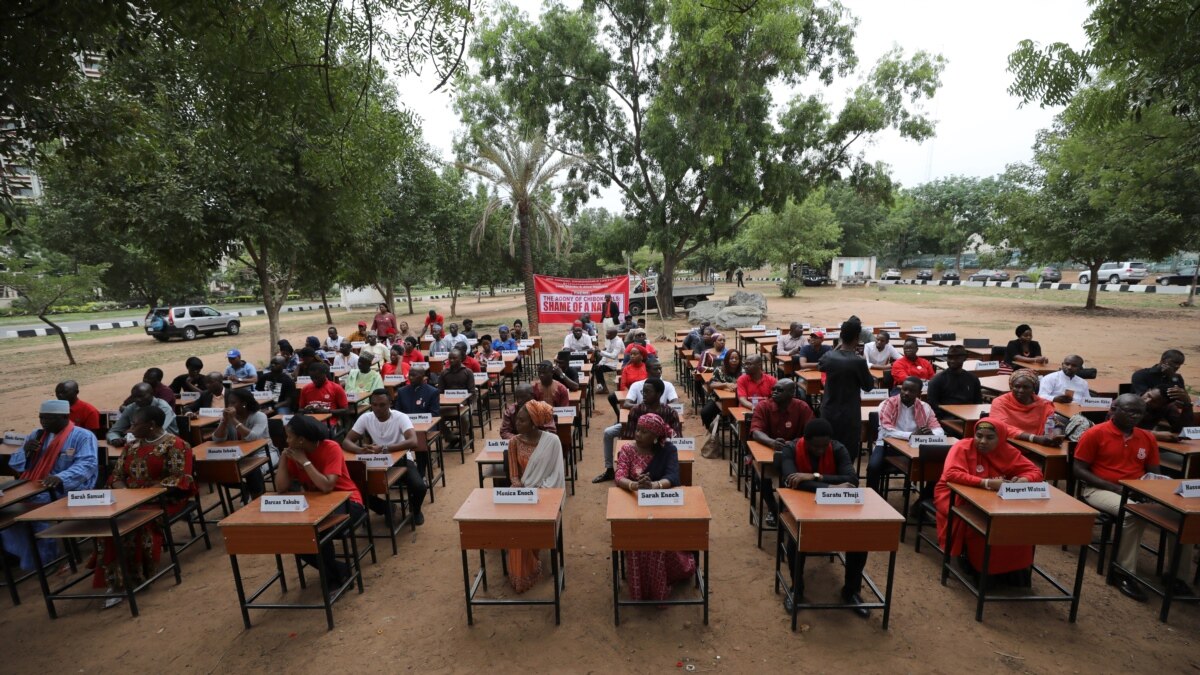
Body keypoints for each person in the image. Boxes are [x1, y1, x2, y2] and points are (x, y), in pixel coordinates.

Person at [1075, 394, 1194, 601]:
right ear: (1115, 409)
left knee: (1183, 517)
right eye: (1129, 411)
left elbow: (1154, 473)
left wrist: (1150, 492)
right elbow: (1078, 469)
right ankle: (1123, 572)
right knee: (1132, 515)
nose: (1134, 416)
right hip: (1099, 489)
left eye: (1139, 412)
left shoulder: (1147, 437)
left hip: (1138, 489)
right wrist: (1115, 488)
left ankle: (1176, 577)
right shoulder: (1095, 433)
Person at [93, 405, 195, 606]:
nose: (130, 428)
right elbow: (117, 475)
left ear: (152, 425)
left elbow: (179, 479)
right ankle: (115, 577)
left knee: (134, 524)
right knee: (108, 522)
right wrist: (125, 493)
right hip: (129, 499)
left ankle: (135, 576)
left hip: (162, 500)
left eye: (135, 424)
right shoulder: (132, 446)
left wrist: (143, 496)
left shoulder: (176, 445)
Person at [935, 421, 1043, 587]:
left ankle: (1014, 572)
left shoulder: (1008, 451)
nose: (983, 441)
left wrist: (1022, 480)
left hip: (994, 498)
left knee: (1016, 524)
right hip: (955, 494)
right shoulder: (963, 447)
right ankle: (979, 570)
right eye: (979, 436)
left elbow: (1035, 472)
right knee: (979, 524)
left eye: (990, 438)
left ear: (1000, 439)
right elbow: (951, 474)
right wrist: (986, 483)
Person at [779, 419, 869, 617]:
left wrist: (814, 476)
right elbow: (790, 479)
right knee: (797, 538)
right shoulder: (791, 448)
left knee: (860, 537)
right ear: (806, 440)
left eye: (824, 445)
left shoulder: (838, 449)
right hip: (800, 505)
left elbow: (851, 480)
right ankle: (797, 588)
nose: (820, 450)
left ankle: (851, 591)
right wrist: (831, 487)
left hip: (835, 504)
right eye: (815, 446)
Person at [0, 400, 98, 572]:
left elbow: (87, 464)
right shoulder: (37, 435)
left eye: (49, 418)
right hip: (35, 486)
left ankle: (47, 558)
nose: (44, 422)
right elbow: (16, 465)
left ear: (65, 417)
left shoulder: (82, 436)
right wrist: (25, 451)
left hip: (69, 489)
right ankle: (23, 555)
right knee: (8, 513)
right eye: (41, 418)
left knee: (34, 514)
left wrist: (61, 478)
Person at [614, 413, 696, 600]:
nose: (638, 434)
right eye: (638, 430)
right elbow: (619, 476)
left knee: (658, 539)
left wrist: (654, 486)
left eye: (644, 432)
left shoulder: (668, 450)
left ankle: (661, 581)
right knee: (640, 539)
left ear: (655, 436)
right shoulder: (627, 449)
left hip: (661, 503)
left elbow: (673, 477)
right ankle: (642, 587)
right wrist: (635, 485)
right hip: (634, 504)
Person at [278, 414, 364, 587]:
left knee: (318, 532)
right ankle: (339, 570)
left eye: (289, 437)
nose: (287, 441)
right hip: (317, 506)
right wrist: (283, 459)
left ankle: (335, 578)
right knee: (295, 536)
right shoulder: (293, 454)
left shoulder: (330, 447)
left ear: (301, 440)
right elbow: (281, 487)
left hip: (348, 503)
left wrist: (304, 462)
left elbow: (327, 486)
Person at [343, 390, 429, 526]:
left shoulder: (400, 417)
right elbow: (346, 441)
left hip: (401, 459)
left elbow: (413, 441)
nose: (377, 408)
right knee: (357, 488)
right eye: (374, 405)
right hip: (376, 461)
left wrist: (384, 448)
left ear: (390, 403)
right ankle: (386, 508)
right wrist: (361, 450)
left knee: (420, 487)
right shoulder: (366, 418)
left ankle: (416, 510)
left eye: (382, 405)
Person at [505, 401, 566, 593]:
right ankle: (523, 568)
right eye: (517, 419)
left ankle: (529, 563)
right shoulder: (514, 441)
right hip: (522, 492)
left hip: (545, 494)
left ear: (534, 422)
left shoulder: (552, 441)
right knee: (515, 525)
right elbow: (514, 474)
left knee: (530, 525)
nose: (517, 424)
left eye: (522, 421)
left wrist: (536, 492)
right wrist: (518, 486)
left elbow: (556, 476)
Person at [750, 379, 814, 525]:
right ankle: (773, 509)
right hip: (769, 451)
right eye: (774, 389)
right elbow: (756, 431)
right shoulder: (764, 406)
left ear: (792, 393)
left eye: (780, 390)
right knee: (761, 475)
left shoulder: (802, 407)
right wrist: (771, 442)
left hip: (796, 452)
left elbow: (811, 433)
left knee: (795, 475)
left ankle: (791, 509)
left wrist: (794, 444)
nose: (774, 392)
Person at [596, 378, 680, 483]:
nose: (644, 395)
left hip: (662, 452)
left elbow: (678, 439)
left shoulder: (671, 413)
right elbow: (629, 436)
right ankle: (610, 469)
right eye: (643, 392)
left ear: (659, 394)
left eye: (648, 392)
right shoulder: (636, 410)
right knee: (609, 433)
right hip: (639, 451)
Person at [871, 377, 945, 492]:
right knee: (873, 467)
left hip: (914, 447)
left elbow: (939, 430)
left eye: (911, 391)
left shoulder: (925, 407)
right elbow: (887, 430)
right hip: (887, 445)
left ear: (919, 393)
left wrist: (930, 434)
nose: (906, 393)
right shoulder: (888, 403)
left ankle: (923, 500)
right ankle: (873, 496)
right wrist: (912, 435)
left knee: (937, 466)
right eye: (904, 389)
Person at [818, 321, 874, 457]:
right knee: (847, 453)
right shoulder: (859, 361)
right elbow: (868, 386)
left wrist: (839, 345)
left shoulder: (829, 356)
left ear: (841, 337)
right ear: (857, 338)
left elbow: (821, 365)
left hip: (829, 410)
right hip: (849, 414)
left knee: (827, 450)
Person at [210, 387, 271, 497]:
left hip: (262, 453)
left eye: (233, 402)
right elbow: (217, 439)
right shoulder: (228, 417)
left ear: (244, 403)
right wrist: (224, 422)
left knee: (253, 471)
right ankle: (245, 488)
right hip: (239, 454)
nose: (229, 405)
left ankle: (256, 499)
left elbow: (252, 437)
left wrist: (233, 420)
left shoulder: (259, 416)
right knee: (219, 470)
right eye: (229, 402)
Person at [989, 370, 1062, 445]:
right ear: (1011, 387)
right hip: (1009, 443)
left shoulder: (1043, 404)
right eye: (1017, 386)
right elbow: (1000, 427)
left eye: (1026, 387)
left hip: (1037, 446)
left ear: (1033, 389)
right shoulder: (1000, 402)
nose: (1021, 390)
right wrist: (1033, 438)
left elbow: (1052, 423)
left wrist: (1054, 435)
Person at [109, 383, 178, 445]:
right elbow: (114, 431)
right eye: (134, 397)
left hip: (167, 444)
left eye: (141, 396)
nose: (137, 400)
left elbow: (156, 432)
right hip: (139, 444)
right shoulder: (131, 408)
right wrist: (115, 439)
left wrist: (130, 434)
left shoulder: (163, 408)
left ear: (152, 394)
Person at [926, 345, 983, 418]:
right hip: (947, 417)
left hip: (969, 416)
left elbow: (978, 402)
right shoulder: (937, 380)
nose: (952, 361)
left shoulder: (973, 379)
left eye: (957, 358)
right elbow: (933, 404)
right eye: (950, 358)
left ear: (964, 359)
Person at [701, 348, 743, 429]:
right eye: (731, 358)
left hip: (739, 399)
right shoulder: (719, 370)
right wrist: (725, 385)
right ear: (727, 359)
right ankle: (712, 432)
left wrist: (737, 386)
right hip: (718, 399)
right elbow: (711, 384)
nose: (734, 360)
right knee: (705, 413)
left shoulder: (743, 371)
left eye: (736, 358)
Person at [609, 345, 649, 415]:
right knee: (611, 397)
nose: (632, 356)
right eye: (631, 354)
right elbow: (623, 386)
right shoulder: (626, 369)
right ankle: (619, 416)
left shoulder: (647, 368)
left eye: (635, 354)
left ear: (642, 356)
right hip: (629, 394)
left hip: (644, 394)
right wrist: (630, 396)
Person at [595, 326, 625, 395]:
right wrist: (600, 363)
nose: (606, 335)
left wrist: (601, 351)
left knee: (599, 369)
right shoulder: (611, 340)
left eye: (608, 334)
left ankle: (604, 388)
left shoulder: (618, 342)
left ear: (613, 335)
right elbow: (607, 352)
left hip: (621, 362)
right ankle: (603, 388)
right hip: (615, 362)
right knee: (598, 368)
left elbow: (613, 356)